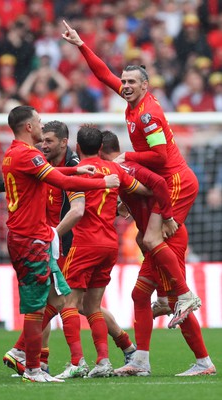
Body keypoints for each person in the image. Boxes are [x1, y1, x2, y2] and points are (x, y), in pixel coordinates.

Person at [61, 19, 201, 329]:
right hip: (164, 180)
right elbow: (102, 74)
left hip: (175, 181)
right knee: (144, 238)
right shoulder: (131, 103)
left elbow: (161, 156)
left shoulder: (148, 114)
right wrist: (81, 44)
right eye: (123, 81)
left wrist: (128, 156)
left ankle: (184, 294)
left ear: (145, 85)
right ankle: (165, 299)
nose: (124, 86)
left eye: (131, 83)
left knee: (152, 237)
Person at [0, 120, 136, 376]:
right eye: (43, 140)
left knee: (67, 302)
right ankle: (43, 359)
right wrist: (2, 186)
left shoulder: (76, 165)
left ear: (66, 143)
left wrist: (54, 235)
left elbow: (76, 209)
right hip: (54, 239)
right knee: (73, 303)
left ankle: (40, 357)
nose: (44, 145)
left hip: (67, 241)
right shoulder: (46, 163)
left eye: (49, 141)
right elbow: (39, 178)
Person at [100, 130, 216, 377]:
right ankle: (141, 360)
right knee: (139, 295)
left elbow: (160, 185)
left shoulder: (127, 168)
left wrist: (166, 216)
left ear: (101, 151)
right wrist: (125, 204)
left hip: (167, 238)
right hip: (156, 241)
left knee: (175, 303)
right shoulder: (118, 172)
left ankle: (204, 362)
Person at [52, 125, 162, 379]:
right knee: (92, 306)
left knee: (67, 303)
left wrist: (52, 235)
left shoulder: (80, 174)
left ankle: (77, 361)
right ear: (101, 148)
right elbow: (144, 190)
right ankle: (103, 361)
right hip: (109, 245)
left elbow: (56, 185)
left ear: (77, 148)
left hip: (85, 244)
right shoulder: (114, 170)